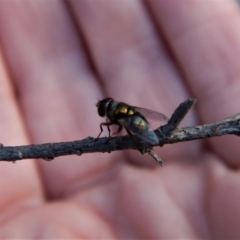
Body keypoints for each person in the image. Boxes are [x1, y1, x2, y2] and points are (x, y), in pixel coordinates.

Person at [0, 0, 239, 238]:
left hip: (137, 125)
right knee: (131, 124)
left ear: (109, 109)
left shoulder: (113, 116)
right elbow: (135, 116)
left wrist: (127, 135)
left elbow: (127, 123)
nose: (103, 111)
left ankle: (140, 138)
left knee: (128, 129)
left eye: (103, 109)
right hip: (137, 119)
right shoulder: (121, 109)